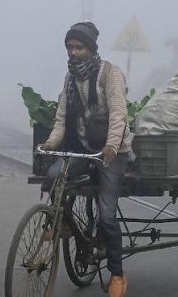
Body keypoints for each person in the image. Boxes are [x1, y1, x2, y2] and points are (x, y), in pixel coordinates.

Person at [38, 21, 131, 297]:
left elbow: (118, 113)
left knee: (106, 215)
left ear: (90, 48)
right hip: (81, 148)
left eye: (79, 47)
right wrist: (50, 143)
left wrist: (113, 145)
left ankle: (117, 275)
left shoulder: (109, 74)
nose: (73, 52)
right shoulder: (70, 78)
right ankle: (63, 223)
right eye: (70, 47)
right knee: (54, 176)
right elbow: (61, 118)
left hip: (110, 153)